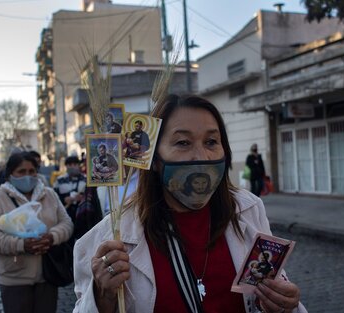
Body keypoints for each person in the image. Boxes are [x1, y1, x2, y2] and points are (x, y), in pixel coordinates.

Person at [73, 95, 306, 313]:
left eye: (212, 141)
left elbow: (273, 285)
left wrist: (285, 304)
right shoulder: (111, 237)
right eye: (183, 142)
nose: (201, 156)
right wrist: (102, 297)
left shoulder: (249, 209)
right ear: (153, 159)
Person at [0, 152, 73, 313]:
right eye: (21, 172)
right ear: (10, 175)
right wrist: (21, 245)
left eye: (32, 171)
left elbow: (67, 223)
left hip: (47, 274)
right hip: (14, 278)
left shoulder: (49, 194)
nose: (27, 176)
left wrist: (52, 237)